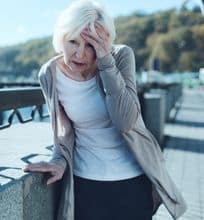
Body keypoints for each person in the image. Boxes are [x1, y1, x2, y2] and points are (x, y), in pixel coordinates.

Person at [23, 0, 187, 219]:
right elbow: (63, 127)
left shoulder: (121, 57)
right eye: (72, 41)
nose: (80, 53)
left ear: (106, 42)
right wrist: (59, 159)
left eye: (90, 44)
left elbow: (126, 121)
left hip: (133, 182)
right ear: (61, 38)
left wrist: (106, 61)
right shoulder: (49, 74)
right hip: (85, 184)